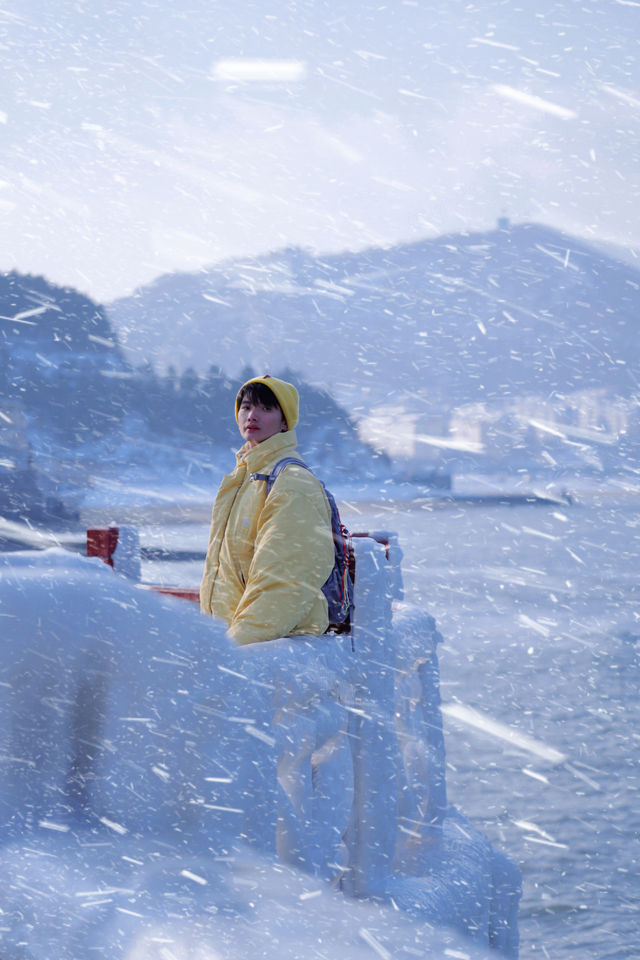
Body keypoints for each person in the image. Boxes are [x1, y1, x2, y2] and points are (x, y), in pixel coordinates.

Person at [200, 374, 335, 645]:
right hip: (241, 647)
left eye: (266, 408)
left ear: (285, 422)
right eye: (247, 406)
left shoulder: (292, 483)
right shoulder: (243, 478)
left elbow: (284, 581)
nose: (252, 415)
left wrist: (234, 648)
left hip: (274, 651)